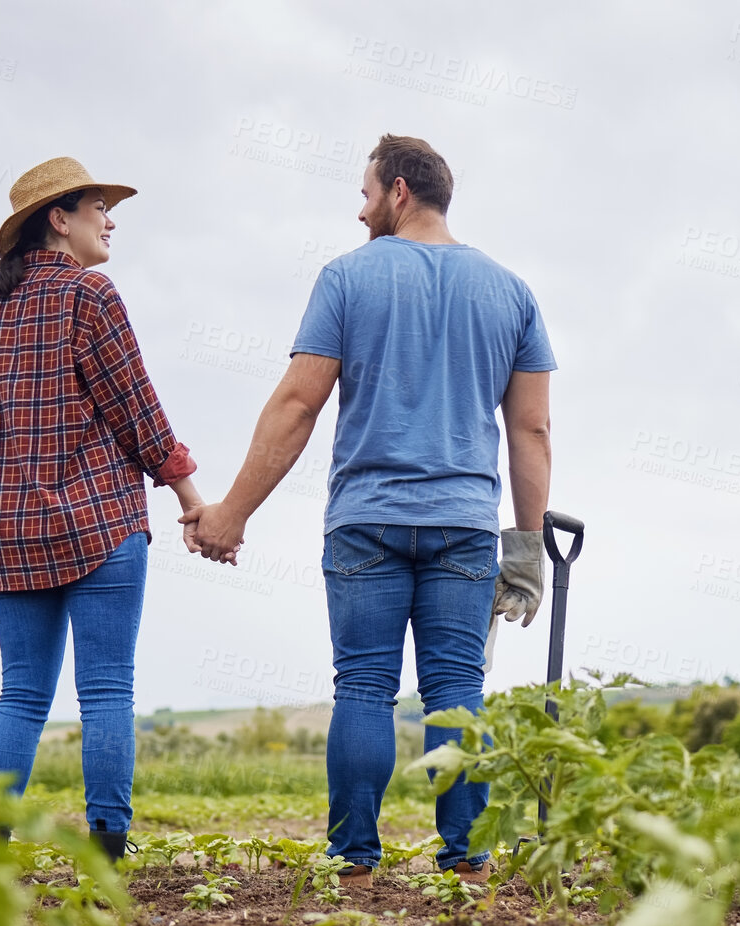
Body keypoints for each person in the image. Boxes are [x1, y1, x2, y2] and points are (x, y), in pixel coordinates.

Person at [182, 134, 557, 885]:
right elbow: (531, 428)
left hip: (366, 521)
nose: (359, 212)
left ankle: (354, 861)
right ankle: (469, 861)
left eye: (364, 194)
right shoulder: (512, 292)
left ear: (398, 192)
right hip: (462, 524)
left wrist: (231, 512)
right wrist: (526, 544)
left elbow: (298, 402)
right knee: (457, 690)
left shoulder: (346, 279)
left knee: (362, 686)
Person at [0, 156, 218, 861]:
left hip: (11, 535)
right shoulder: (90, 296)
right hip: (101, 523)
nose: (111, 219)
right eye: (99, 206)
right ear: (58, 219)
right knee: (105, 690)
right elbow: (138, 412)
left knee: (20, 696)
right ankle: (106, 852)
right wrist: (191, 496)